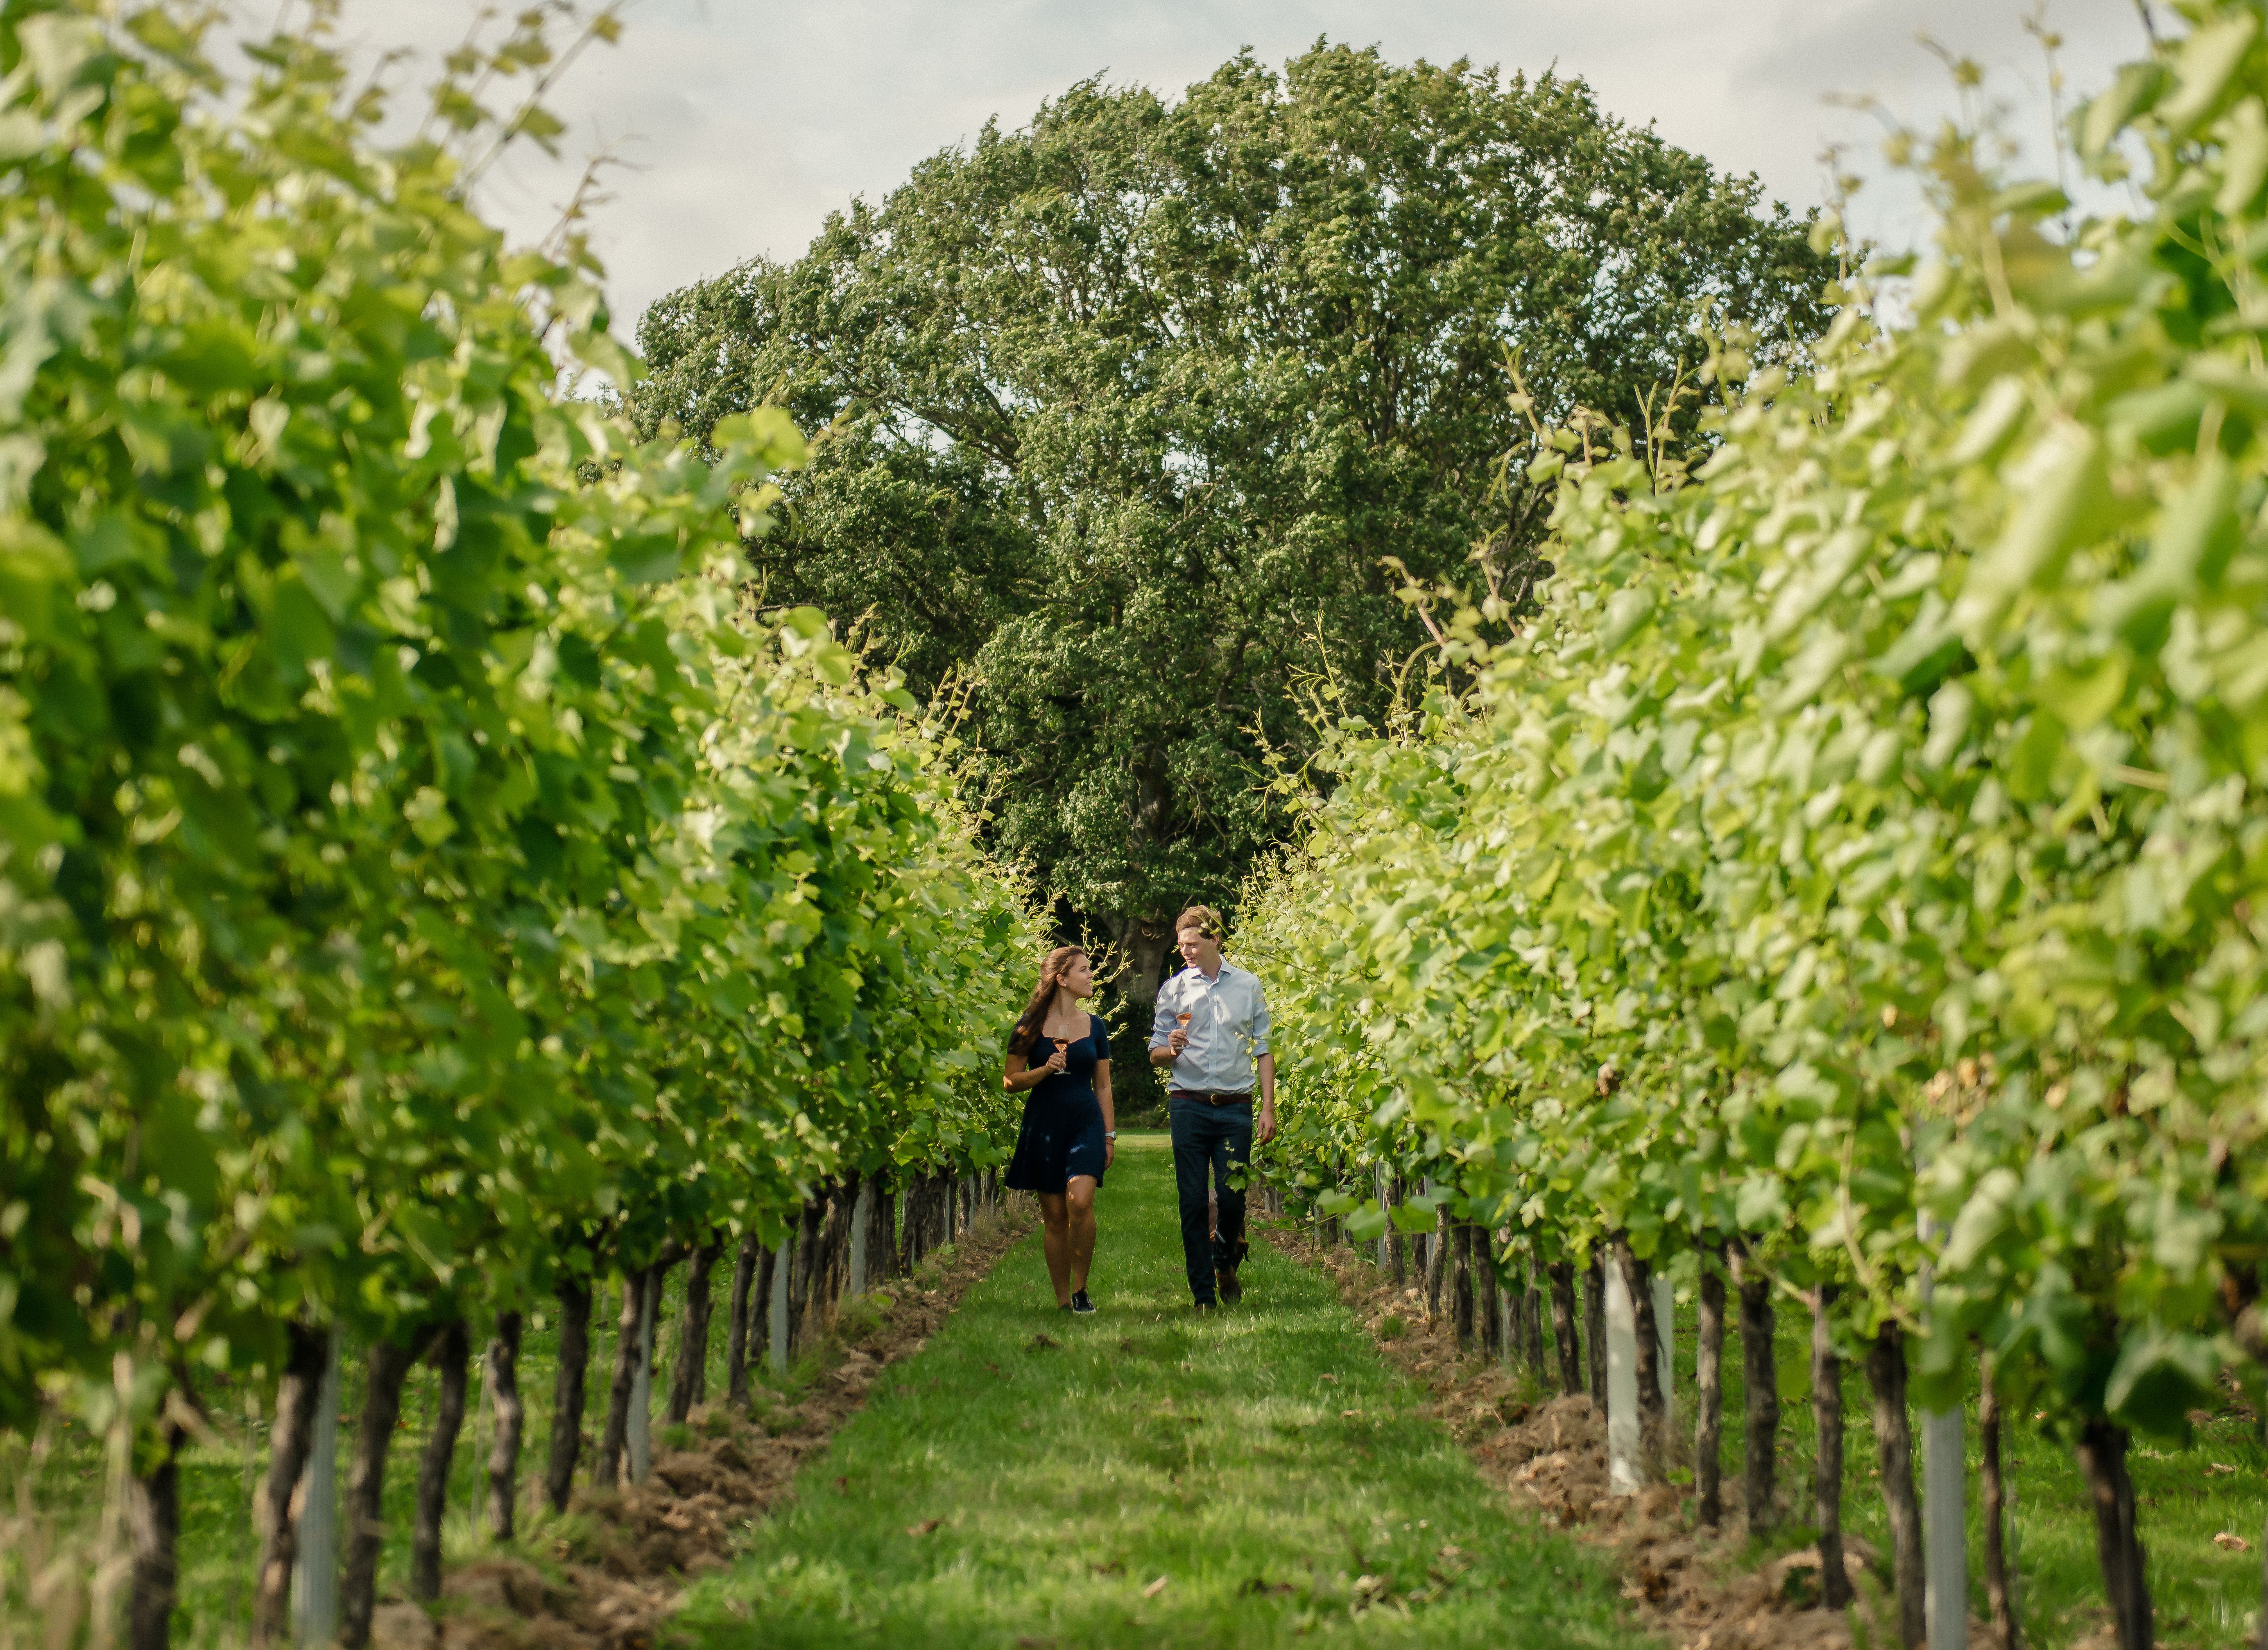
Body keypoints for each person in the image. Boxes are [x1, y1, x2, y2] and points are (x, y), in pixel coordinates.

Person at [1150, 906, 1274, 1310]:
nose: (1185, 951)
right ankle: (1203, 1295)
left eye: (1192, 943)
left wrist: (1268, 1108)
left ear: (1215, 940)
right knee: (1191, 1199)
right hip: (1188, 1103)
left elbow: (1264, 1049)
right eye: (1181, 944)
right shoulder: (1174, 990)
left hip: (1235, 1106)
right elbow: (1155, 1053)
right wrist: (1172, 1049)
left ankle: (1223, 1263)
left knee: (1233, 1196)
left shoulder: (1248, 986)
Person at [1003, 945, 1116, 1313]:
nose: (1091, 976)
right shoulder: (1029, 1027)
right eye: (1084, 970)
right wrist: (1044, 1071)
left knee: (1080, 1202)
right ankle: (1063, 1300)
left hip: (1085, 1122)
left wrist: (1109, 1135)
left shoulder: (1096, 1026)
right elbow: (1011, 1081)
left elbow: (1103, 1086)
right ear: (1062, 979)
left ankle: (1082, 1288)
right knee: (1054, 1218)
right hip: (1045, 1125)